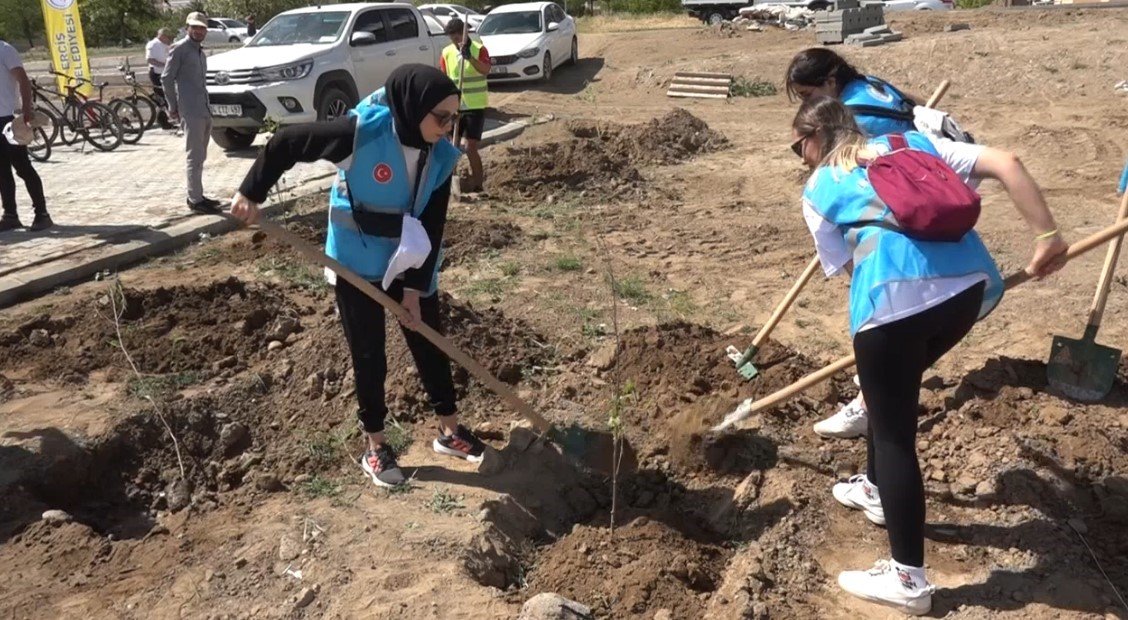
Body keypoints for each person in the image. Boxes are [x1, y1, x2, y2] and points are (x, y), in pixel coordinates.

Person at [793, 96, 1066, 615]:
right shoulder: (912, 142)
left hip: (896, 302)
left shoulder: (818, 188)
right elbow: (1008, 163)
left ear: (813, 139)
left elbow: (849, 270)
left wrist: (888, 323)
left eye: (797, 147)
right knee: (884, 392)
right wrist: (1048, 237)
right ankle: (874, 488)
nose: (799, 157)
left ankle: (908, 580)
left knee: (896, 433)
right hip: (969, 293)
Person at [229, 64, 487, 488]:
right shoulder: (361, 133)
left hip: (409, 259)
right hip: (356, 262)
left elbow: (434, 225)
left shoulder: (440, 156)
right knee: (369, 356)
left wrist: (416, 290)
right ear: (413, 107)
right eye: (441, 117)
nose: (448, 127)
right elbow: (286, 141)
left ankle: (450, 432)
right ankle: (375, 446)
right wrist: (250, 192)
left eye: (453, 118)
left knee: (429, 343)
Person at [786, 48, 925, 139]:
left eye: (806, 95)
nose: (805, 103)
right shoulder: (869, 81)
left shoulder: (847, 118)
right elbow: (921, 103)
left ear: (830, 82)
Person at [162, 12, 222, 215]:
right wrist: (172, 106)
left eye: (202, 28)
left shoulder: (199, 52)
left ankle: (198, 195)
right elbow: (166, 79)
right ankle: (194, 199)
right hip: (190, 111)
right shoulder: (180, 49)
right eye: (194, 27)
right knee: (194, 156)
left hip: (203, 108)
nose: (198, 31)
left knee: (201, 156)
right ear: (187, 27)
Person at [0, 38, 51, 232]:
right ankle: (10, 215)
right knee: (2, 171)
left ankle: (42, 213)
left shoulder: (5, 50)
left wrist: (27, 109)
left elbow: (23, 80)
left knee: (22, 167)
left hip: (8, 119)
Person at [439, 18, 491, 192]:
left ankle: (478, 185)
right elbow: (444, 78)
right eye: (451, 37)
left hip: (475, 106)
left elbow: (485, 70)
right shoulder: (446, 53)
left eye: (457, 35)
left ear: (464, 32)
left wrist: (470, 58)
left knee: (470, 147)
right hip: (455, 107)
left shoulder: (478, 49)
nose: (454, 40)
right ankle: (448, 184)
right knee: (450, 147)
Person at [145, 28, 175, 130]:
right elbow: (150, 59)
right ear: (162, 36)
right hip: (156, 73)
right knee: (162, 98)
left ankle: (167, 119)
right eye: (168, 37)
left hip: (165, 73)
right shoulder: (153, 44)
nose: (169, 39)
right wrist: (164, 65)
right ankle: (163, 121)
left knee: (168, 96)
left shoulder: (165, 44)